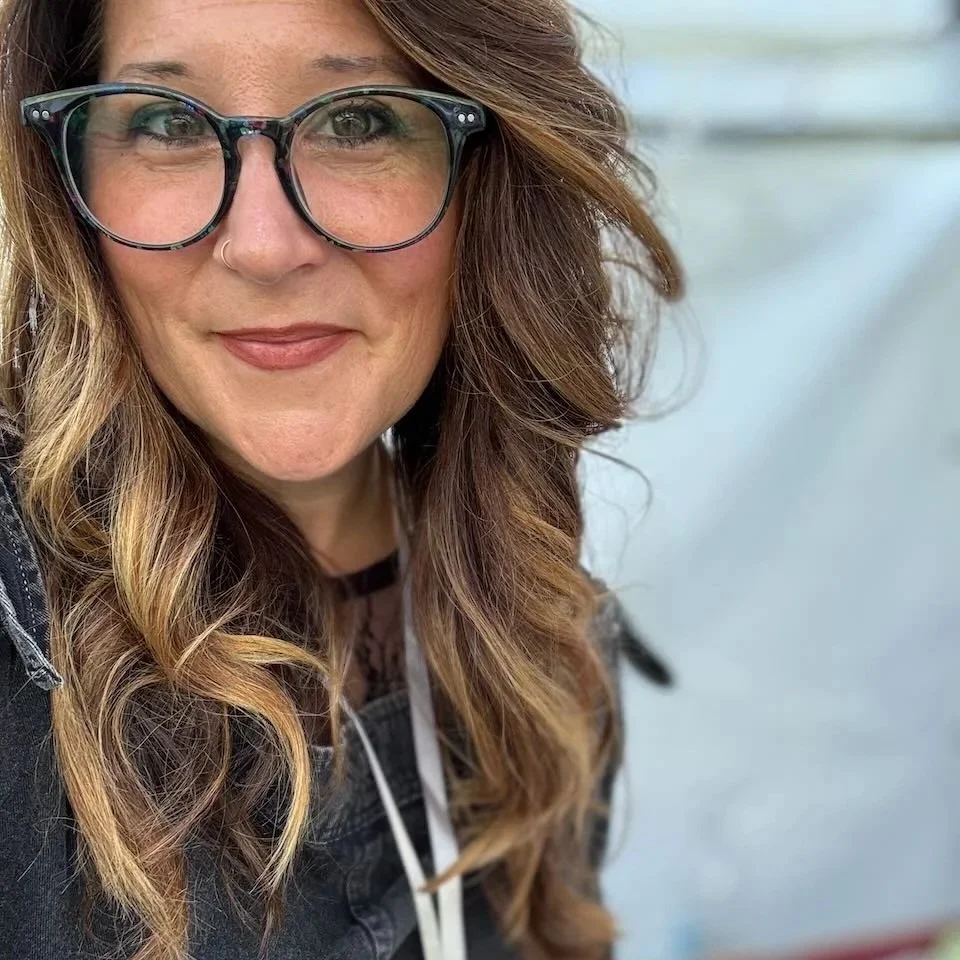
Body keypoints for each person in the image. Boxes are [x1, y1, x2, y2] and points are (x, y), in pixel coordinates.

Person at [0, 0, 683, 957]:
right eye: (164, 122)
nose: (264, 246)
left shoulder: (550, 639)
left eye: (358, 121)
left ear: (490, 171)